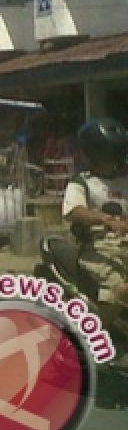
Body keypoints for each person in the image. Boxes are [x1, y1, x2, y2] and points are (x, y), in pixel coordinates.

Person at [62, 118, 128, 310]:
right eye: (111, 157)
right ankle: (95, 332)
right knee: (121, 291)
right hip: (100, 246)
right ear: (94, 155)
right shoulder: (82, 182)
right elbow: (74, 211)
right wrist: (105, 220)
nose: (116, 162)